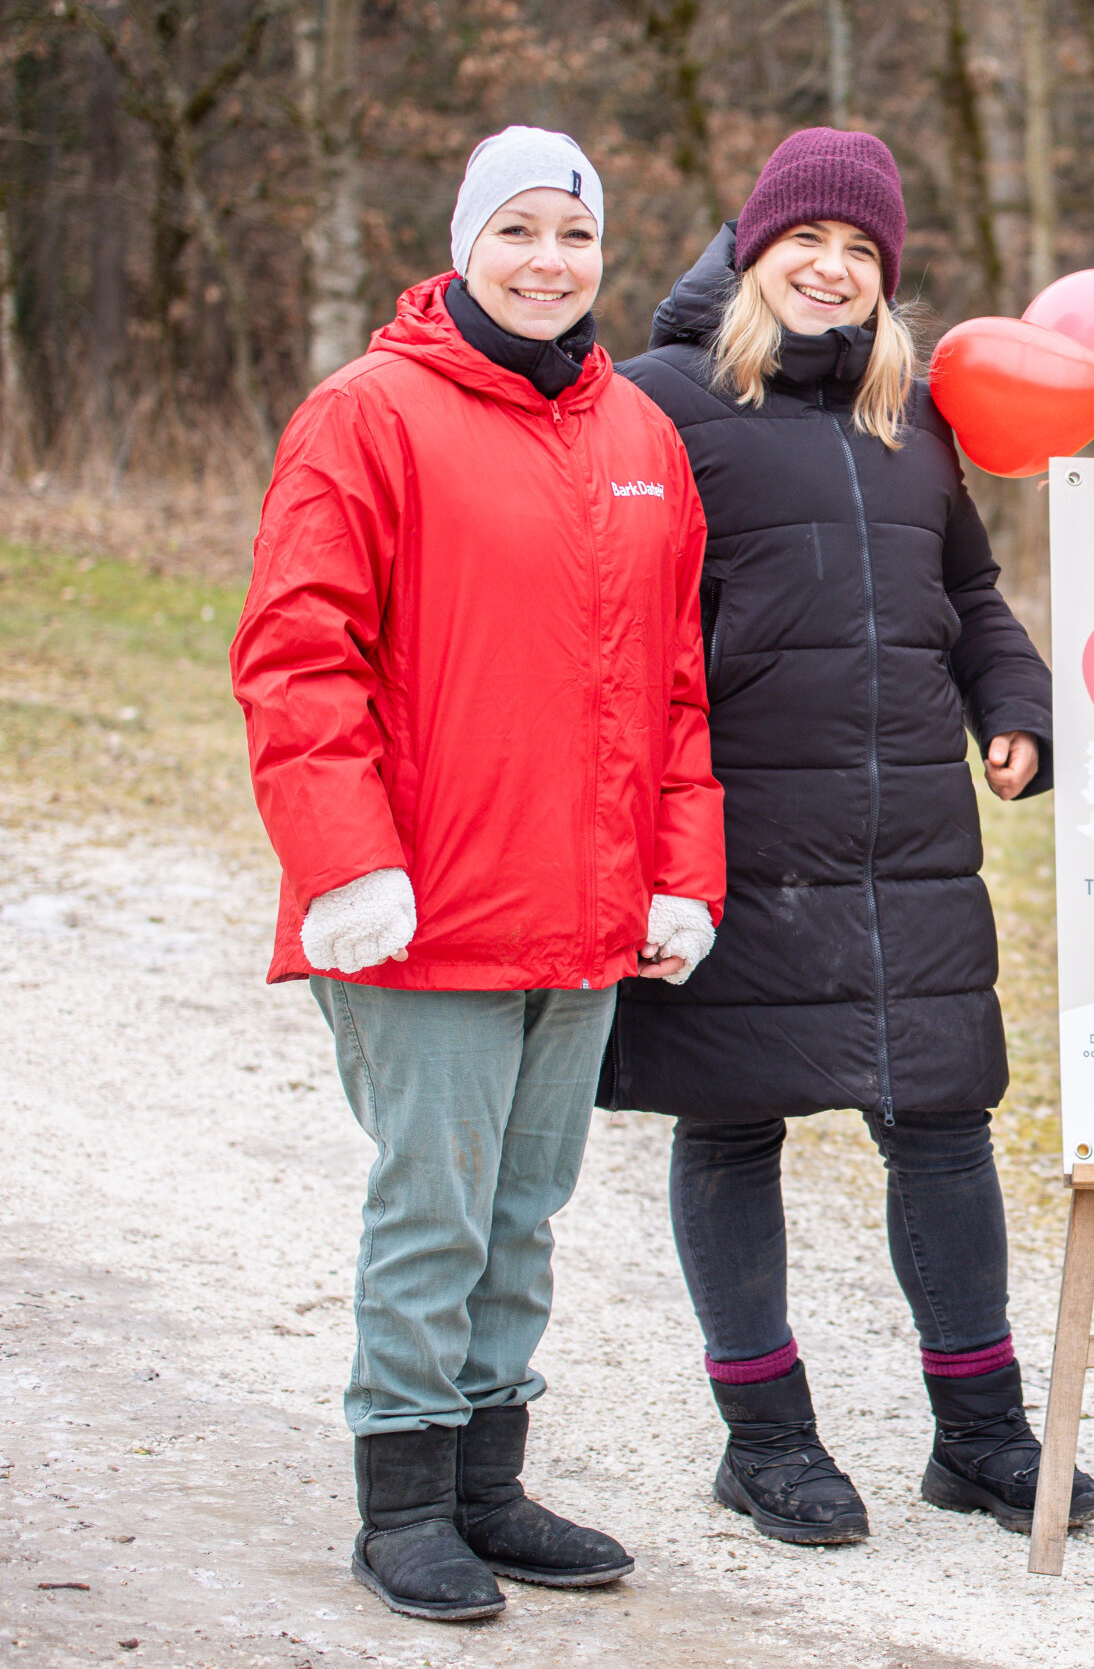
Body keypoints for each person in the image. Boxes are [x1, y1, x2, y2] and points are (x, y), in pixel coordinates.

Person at [232, 126, 724, 1623]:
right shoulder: (365, 415)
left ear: (601, 258)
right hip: (419, 908)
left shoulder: (639, 436)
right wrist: (344, 866)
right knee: (434, 1209)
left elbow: (679, 687)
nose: (546, 262)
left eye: (571, 237)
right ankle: (402, 1499)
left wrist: (679, 872)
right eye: (516, 231)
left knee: (526, 1207)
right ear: (465, 244)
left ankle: (490, 1484)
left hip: (584, 912)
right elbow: (297, 658)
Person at [603, 128, 1094, 1546]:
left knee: (943, 1122)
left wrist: (1019, 702)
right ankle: (764, 1438)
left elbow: (973, 591)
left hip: (912, 837)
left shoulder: (917, 417)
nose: (833, 269)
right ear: (753, 254)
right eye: (806, 243)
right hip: (737, 837)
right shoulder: (656, 407)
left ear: (890, 277)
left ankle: (983, 1435)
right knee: (732, 1119)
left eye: (864, 252)